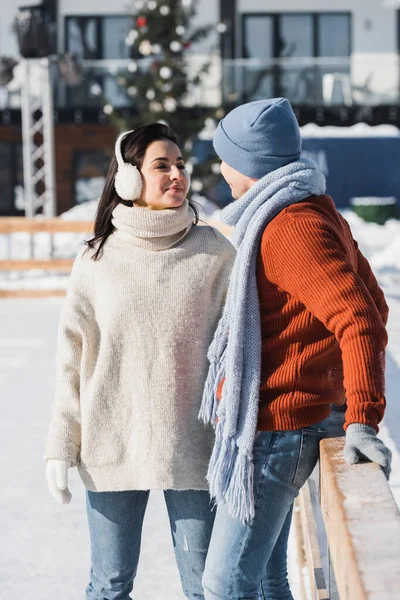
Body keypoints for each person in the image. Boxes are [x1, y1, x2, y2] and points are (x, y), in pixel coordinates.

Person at [198, 98, 392, 600]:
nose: (220, 167)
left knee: (224, 584)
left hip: (280, 427)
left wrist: (361, 417)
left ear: (246, 163)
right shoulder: (309, 211)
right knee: (266, 578)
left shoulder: (291, 227)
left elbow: (360, 318)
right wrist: (326, 373)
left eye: (225, 155)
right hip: (289, 419)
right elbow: (373, 303)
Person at [44, 123, 235, 600]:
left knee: (205, 589)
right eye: (161, 165)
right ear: (129, 179)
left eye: (180, 165)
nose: (177, 175)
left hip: (195, 444)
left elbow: (241, 345)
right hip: (112, 440)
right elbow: (72, 362)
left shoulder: (215, 252)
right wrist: (60, 447)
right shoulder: (97, 260)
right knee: (110, 585)